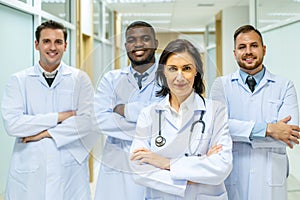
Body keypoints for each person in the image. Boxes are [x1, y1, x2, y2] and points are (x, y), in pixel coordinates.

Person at [1, 20, 98, 200]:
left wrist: (43, 133)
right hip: (29, 169)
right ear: (37, 44)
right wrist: (60, 116)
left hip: (69, 170)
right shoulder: (18, 80)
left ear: (65, 46)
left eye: (58, 42)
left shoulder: (79, 79)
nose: (52, 47)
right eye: (46, 41)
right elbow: (13, 125)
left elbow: (88, 122)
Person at [129, 39, 233, 199]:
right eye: (172, 69)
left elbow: (221, 167)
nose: (180, 77)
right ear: (163, 71)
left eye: (186, 69)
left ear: (196, 71)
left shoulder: (216, 110)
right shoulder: (149, 114)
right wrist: (196, 172)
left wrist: (166, 163)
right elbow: (138, 168)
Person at [210, 25, 300, 200]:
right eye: (242, 47)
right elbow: (218, 129)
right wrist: (268, 129)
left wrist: (239, 131)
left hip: (271, 177)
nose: (248, 52)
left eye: (254, 45)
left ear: (264, 49)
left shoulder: (284, 86)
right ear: (234, 52)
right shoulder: (221, 85)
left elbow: (289, 136)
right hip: (233, 176)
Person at [94, 21, 161, 200]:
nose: (138, 45)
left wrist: (124, 110)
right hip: (117, 167)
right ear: (125, 46)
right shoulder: (111, 79)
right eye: (132, 40)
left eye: (145, 39)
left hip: (157, 165)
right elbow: (100, 120)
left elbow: (169, 118)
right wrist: (149, 125)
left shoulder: (170, 79)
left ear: (155, 43)